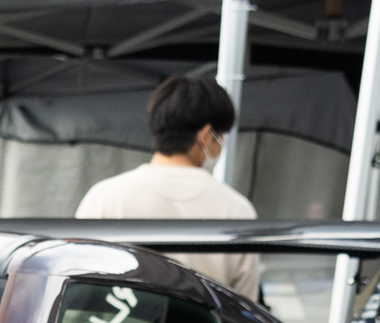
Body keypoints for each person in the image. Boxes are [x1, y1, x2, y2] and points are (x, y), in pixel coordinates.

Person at [75, 74, 258, 298]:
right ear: (206, 135)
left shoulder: (103, 199)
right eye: (220, 136)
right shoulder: (237, 209)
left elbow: (80, 290)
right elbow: (247, 305)